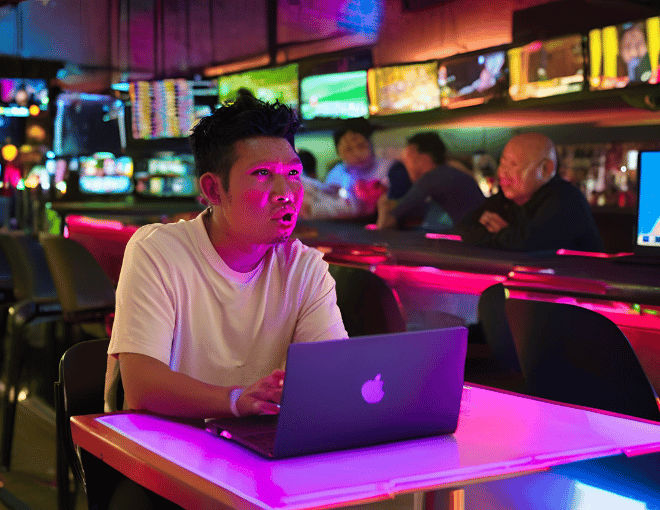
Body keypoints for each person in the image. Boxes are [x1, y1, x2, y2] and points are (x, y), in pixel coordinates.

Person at [105, 94, 347, 420]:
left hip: (259, 449)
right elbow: (141, 388)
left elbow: (334, 377)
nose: (286, 194)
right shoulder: (157, 250)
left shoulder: (305, 268)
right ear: (213, 190)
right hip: (164, 446)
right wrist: (236, 401)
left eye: (292, 174)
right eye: (262, 174)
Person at [457, 132, 604, 252]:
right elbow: (465, 228)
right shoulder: (507, 197)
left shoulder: (566, 199)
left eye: (513, 165)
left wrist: (503, 234)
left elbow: (529, 246)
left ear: (546, 169)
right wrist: (508, 236)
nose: (502, 172)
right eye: (502, 163)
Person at [376, 132, 485, 232]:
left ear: (422, 159)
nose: (406, 165)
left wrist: (383, 204)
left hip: (473, 241)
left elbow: (387, 223)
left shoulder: (431, 178)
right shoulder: (449, 172)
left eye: (408, 158)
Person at [301, 118, 405, 219]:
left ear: (370, 144)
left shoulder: (390, 168)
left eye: (361, 146)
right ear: (339, 153)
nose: (356, 154)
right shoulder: (337, 173)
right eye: (348, 149)